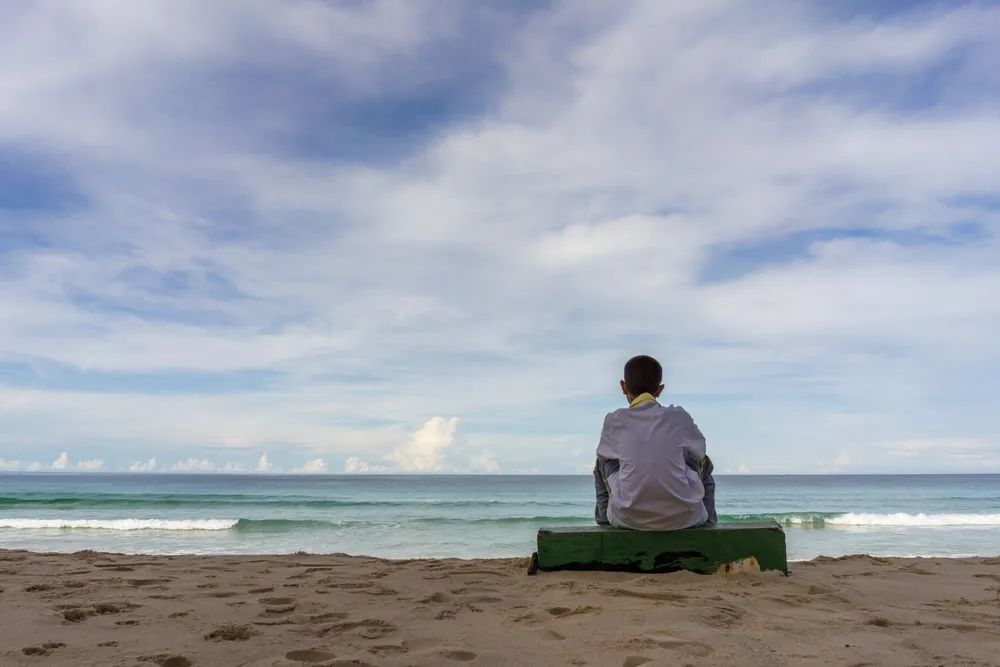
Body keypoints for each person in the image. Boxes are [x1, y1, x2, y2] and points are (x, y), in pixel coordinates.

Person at [594, 355, 717, 530]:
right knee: (706, 462)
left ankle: (604, 521)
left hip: (627, 520)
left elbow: (605, 455)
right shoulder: (678, 416)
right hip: (686, 519)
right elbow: (699, 452)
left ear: (623, 386)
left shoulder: (614, 420)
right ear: (659, 390)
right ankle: (709, 523)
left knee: (601, 462)